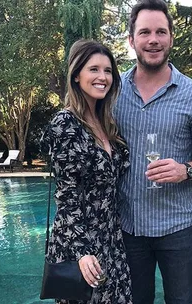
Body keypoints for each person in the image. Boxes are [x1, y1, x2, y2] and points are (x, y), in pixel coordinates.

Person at [113, 0, 192, 303]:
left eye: (161, 32)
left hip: (177, 228)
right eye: (145, 32)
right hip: (128, 227)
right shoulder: (113, 91)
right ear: (131, 40)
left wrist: (185, 170)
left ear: (171, 38)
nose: (153, 40)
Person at [40, 39, 132, 304]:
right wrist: (82, 252)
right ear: (77, 75)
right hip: (80, 245)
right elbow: (66, 197)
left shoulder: (107, 124)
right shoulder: (65, 124)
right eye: (94, 69)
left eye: (108, 70)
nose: (103, 77)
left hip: (112, 240)